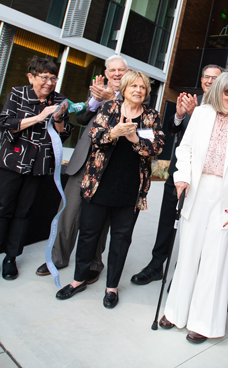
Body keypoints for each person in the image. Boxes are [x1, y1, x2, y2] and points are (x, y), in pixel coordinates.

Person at [158, 72, 228, 343]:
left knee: (216, 262)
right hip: (197, 189)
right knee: (188, 252)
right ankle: (175, 312)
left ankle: (204, 323)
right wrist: (181, 177)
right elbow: (186, 149)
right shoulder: (201, 114)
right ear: (217, 92)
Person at [55, 71, 165, 308]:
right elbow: (95, 137)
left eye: (143, 88)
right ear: (124, 89)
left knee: (121, 239)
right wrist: (112, 134)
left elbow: (157, 146)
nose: (138, 90)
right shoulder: (109, 109)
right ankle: (77, 280)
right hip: (99, 185)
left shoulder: (151, 116)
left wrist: (136, 139)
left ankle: (111, 287)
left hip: (130, 190)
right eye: (133, 86)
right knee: (88, 234)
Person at [35, 55, 128, 283]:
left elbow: (125, 125)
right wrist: (94, 102)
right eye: (112, 70)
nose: (116, 74)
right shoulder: (98, 91)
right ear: (106, 73)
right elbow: (82, 118)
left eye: (121, 70)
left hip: (107, 167)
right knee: (68, 212)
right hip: (82, 161)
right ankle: (57, 258)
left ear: (127, 73)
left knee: (99, 220)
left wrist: (110, 100)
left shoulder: (133, 95)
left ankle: (94, 263)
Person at [0, 56, 73, 282]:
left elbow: (64, 132)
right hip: (10, 161)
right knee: (1, 209)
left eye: (53, 78)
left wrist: (59, 117)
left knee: (23, 213)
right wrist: (40, 117)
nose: (49, 83)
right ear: (31, 77)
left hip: (39, 165)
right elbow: (5, 123)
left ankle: (11, 257)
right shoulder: (18, 94)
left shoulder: (60, 100)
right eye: (44, 77)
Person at [131, 65, 223, 285]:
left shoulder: (225, 106)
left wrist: (195, 114)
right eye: (206, 77)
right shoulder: (192, 100)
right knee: (166, 220)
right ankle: (156, 266)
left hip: (205, 177)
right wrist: (181, 115)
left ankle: (185, 275)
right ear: (201, 81)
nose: (210, 81)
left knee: (195, 226)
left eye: (215, 78)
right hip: (179, 171)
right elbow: (172, 129)